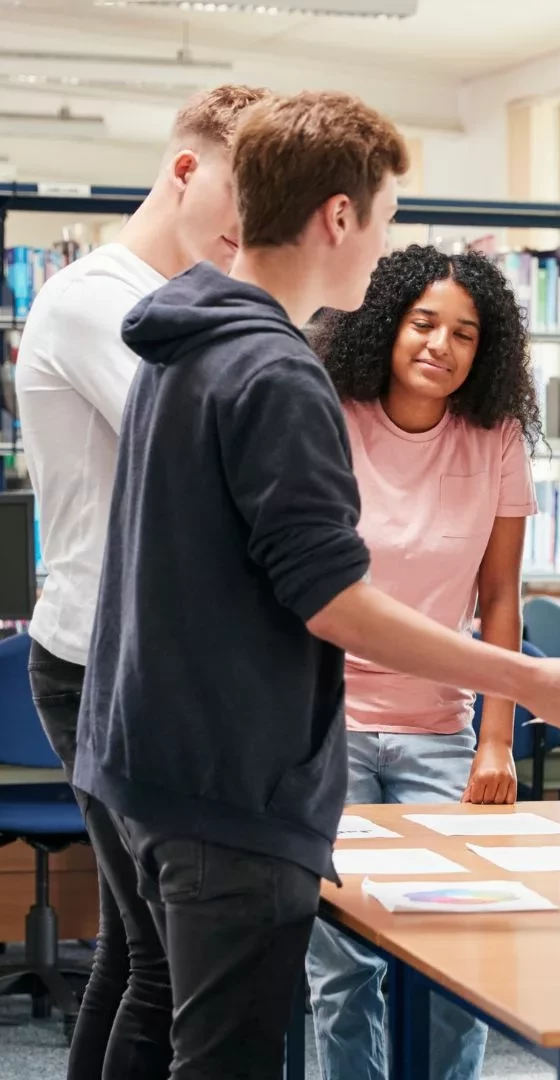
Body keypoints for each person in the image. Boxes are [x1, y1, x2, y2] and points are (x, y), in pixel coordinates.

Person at [71, 91, 560, 1080]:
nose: (385, 246)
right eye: (385, 219)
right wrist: (533, 681)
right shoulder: (275, 372)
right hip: (226, 784)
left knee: (158, 1029)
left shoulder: (185, 340)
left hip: (140, 762)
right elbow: (334, 600)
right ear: (339, 217)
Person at [15, 83, 271, 1080]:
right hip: (100, 662)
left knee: (139, 951)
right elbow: (214, 455)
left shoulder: (181, 304)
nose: (250, 238)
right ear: (183, 171)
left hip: (144, 661)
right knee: (171, 963)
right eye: (241, 209)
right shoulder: (99, 300)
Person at [304, 244, 540, 1080]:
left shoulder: (496, 437)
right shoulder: (329, 415)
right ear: (387, 326)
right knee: (341, 970)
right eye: (424, 323)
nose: (441, 345)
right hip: (324, 728)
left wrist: (497, 742)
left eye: (466, 334)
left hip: (443, 730)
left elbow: (501, 600)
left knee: (459, 958)